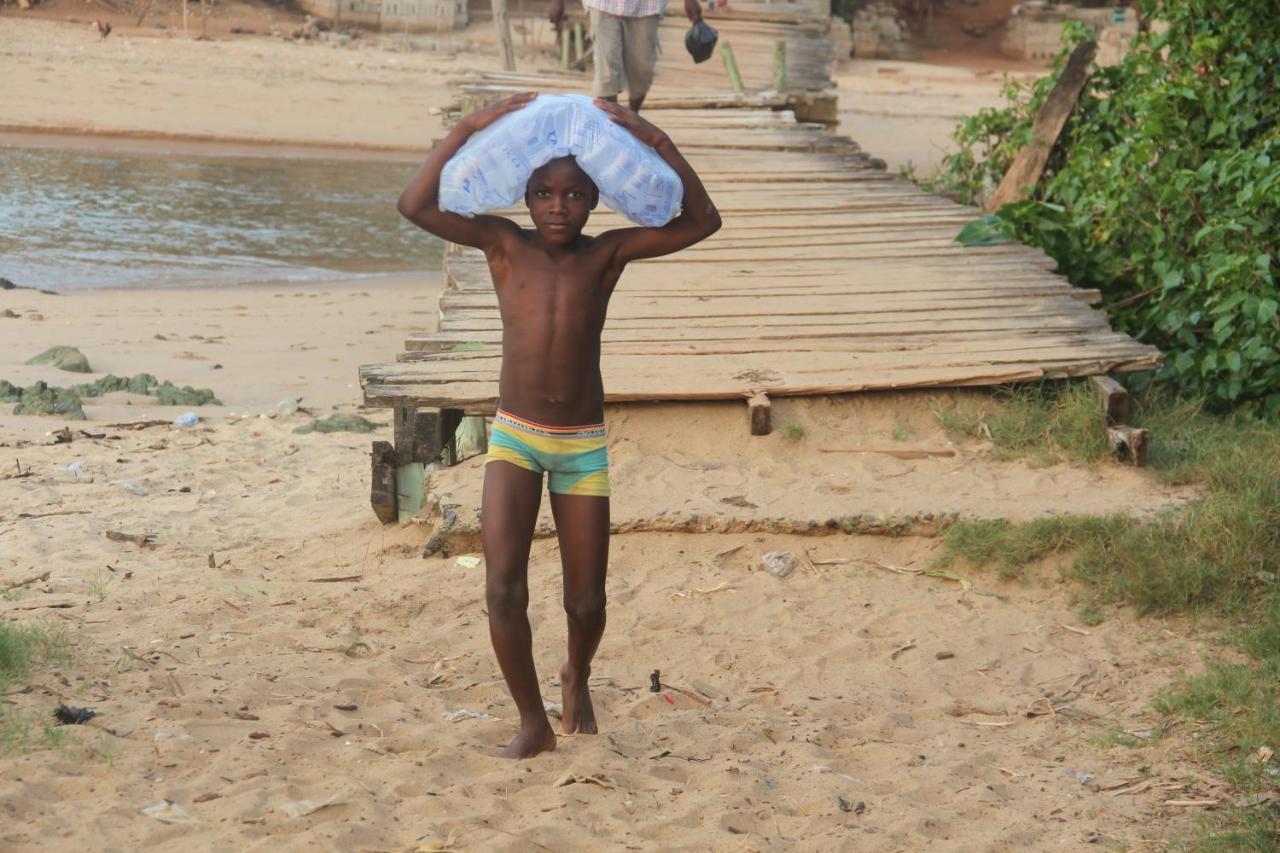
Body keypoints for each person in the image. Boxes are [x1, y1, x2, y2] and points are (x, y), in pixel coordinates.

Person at [397, 94, 721, 758]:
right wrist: (467, 126)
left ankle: (578, 672)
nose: (557, 206)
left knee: (586, 602)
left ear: (595, 201)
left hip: (580, 448)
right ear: (524, 194)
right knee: (501, 584)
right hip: (515, 437)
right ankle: (532, 720)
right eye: (543, 192)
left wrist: (652, 136)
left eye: (574, 195)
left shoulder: (604, 258)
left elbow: (703, 220)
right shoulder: (501, 243)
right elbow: (415, 205)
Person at [549, 0, 703, 112]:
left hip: (646, 6)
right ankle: (609, 126)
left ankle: (632, 116)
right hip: (602, 5)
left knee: (642, 71)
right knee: (606, 76)